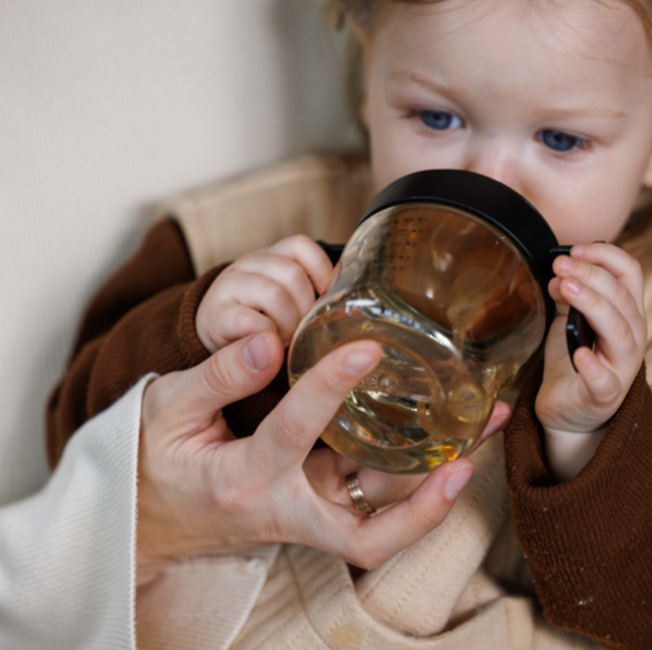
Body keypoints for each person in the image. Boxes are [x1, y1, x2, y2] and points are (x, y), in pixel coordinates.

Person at [47, 0, 652, 648]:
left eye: (561, 139)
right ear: (369, 82)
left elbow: (633, 614)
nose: (485, 178)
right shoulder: (253, 233)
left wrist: (582, 436)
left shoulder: (628, 330)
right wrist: (199, 332)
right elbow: (73, 452)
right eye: (437, 117)